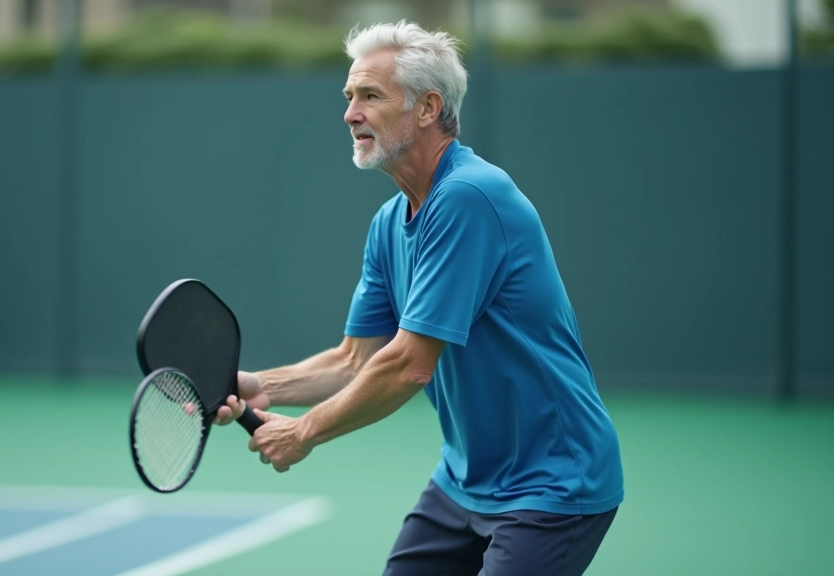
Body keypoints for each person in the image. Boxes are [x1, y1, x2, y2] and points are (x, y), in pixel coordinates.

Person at [215, 20, 624, 576]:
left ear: (428, 108)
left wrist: (303, 431)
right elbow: (354, 359)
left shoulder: (469, 198)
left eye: (370, 96)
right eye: (349, 96)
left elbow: (408, 365)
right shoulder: (389, 223)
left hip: (550, 486)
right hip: (463, 480)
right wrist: (261, 386)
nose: (350, 113)